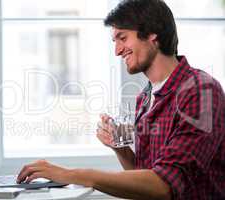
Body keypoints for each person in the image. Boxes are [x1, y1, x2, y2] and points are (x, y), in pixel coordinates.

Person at [17, 0, 225, 199]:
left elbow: (164, 186)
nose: (117, 51)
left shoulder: (201, 91)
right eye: (114, 41)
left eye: (123, 38)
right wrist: (121, 150)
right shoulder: (145, 98)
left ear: (153, 33)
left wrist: (70, 174)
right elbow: (145, 179)